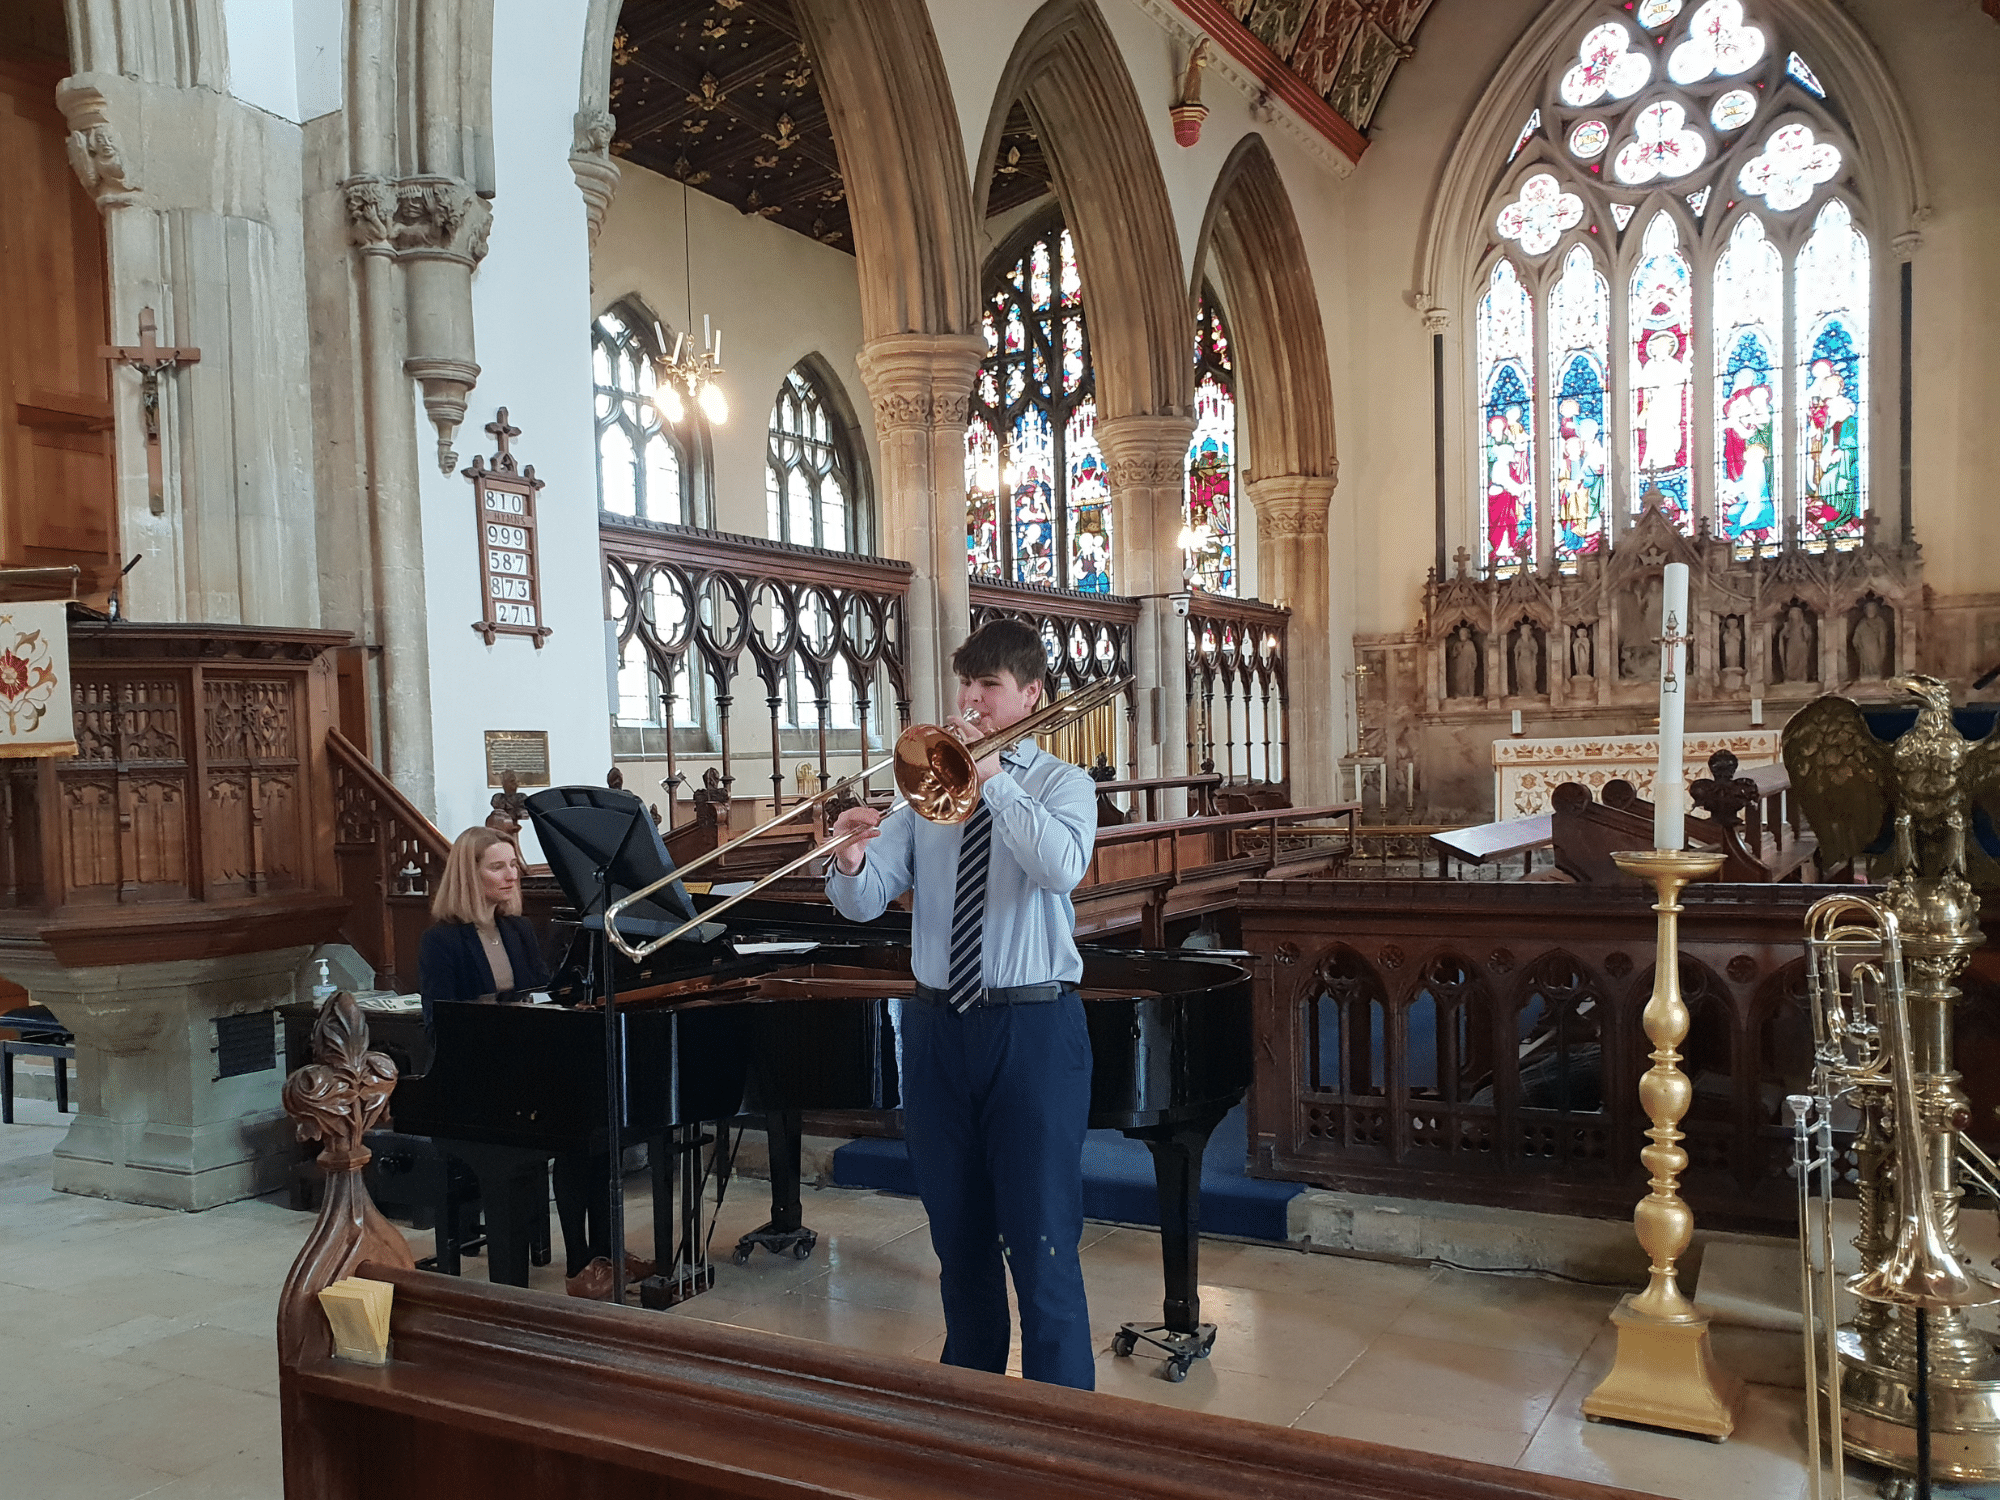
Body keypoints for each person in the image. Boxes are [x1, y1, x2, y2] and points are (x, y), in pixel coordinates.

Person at [824, 618, 1098, 1389]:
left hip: (1032, 1025)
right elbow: (868, 902)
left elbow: (1060, 869)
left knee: (1043, 1242)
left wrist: (996, 777)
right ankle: (969, 1411)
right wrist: (850, 859)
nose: (971, 703)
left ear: (1031, 695)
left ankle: (1060, 1429)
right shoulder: (924, 793)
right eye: (965, 686)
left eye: (990, 688)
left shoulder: (1060, 785)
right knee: (958, 1238)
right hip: (939, 1025)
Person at [419, 828, 631, 1300]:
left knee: (591, 1133)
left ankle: (591, 1261)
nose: (512, 874)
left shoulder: (516, 929)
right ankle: (516, 1290)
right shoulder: (442, 942)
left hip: (523, 1072)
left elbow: (539, 1000)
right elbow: (442, 1022)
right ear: (469, 877)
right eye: (498, 866)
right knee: (542, 1138)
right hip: (475, 1081)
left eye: (513, 864)